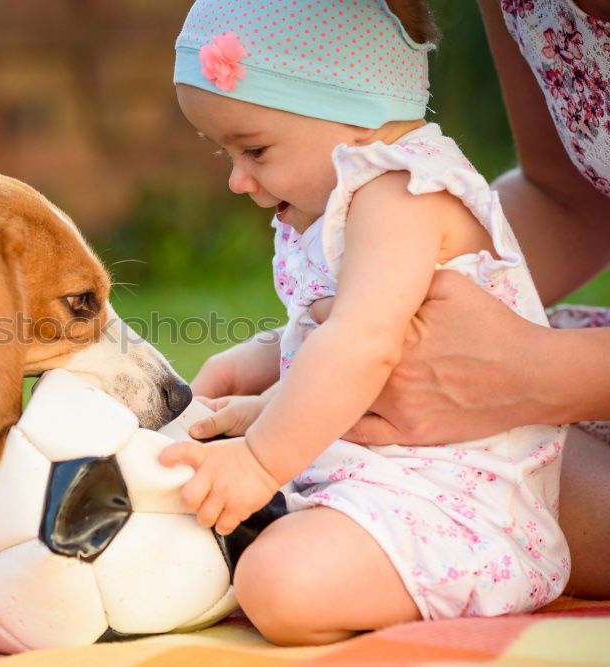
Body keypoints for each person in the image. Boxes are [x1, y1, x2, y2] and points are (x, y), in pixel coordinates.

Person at [159, 0, 571, 646]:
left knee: (276, 579)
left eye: (255, 149)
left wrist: (262, 458)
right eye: (225, 155)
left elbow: (361, 344)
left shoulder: (401, 196)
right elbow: (336, 334)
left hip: (458, 508)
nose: (239, 179)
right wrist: (261, 378)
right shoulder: (344, 199)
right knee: (209, 504)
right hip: (387, 471)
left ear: (348, 112)